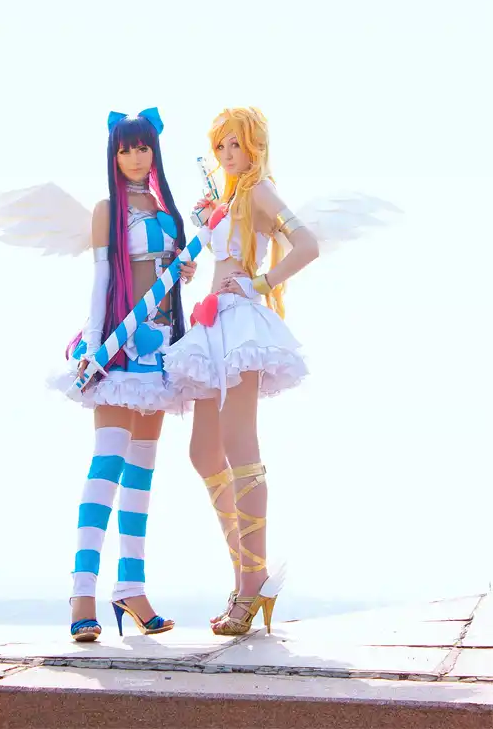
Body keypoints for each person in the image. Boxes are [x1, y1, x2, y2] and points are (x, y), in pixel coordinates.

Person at [162, 107, 319, 636]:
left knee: (238, 447)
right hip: (212, 322)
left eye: (237, 144)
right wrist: (194, 268)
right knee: (203, 452)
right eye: (222, 146)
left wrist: (261, 283)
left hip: (240, 324)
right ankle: (247, 576)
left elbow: (308, 245)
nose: (229, 154)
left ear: (255, 146)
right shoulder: (228, 199)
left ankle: (252, 585)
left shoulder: (260, 191)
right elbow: (223, 257)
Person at [52, 108, 197, 642]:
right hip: (118, 347)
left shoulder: (166, 209)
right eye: (125, 148)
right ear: (113, 155)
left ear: (154, 151)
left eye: (143, 147)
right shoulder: (107, 210)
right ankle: (81, 592)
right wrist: (94, 348)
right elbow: (101, 281)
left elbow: (167, 278)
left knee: (141, 475)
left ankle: (131, 587)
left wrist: (183, 271)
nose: (135, 157)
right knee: (106, 465)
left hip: (160, 350)